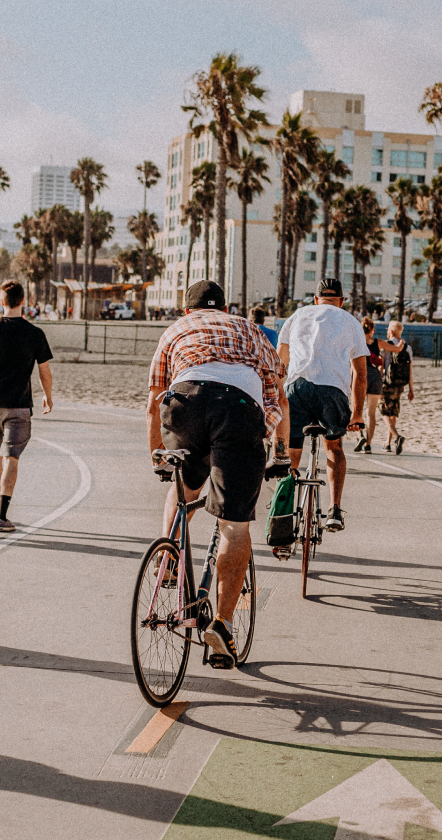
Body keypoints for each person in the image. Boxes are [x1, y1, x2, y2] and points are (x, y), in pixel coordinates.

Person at [147, 279, 286, 668]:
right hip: (238, 407)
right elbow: (276, 391)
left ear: (187, 310)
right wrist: (274, 444)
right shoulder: (250, 329)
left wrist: (158, 458)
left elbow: (152, 399)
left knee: (184, 485)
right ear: (226, 309)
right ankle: (222, 626)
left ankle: (168, 556)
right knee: (234, 526)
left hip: (184, 401)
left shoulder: (175, 330)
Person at [277, 278, 369, 532]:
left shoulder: (298, 315)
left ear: (316, 300)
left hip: (297, 387)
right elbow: (360, 374)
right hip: (332, 391)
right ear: (340, 301)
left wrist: (277, 400)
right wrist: (357, 414)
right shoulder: (350, 321)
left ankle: (282, 514)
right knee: (334, 449)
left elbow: (279, 363)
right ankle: (334, 510)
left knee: (292, 451)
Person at [0, 281, 53, 533]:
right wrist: (47, 396)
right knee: (12, 458)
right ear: (24, 300)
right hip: (19, 405)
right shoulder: (35, 333)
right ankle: (2, 516)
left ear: (1, 300)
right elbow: (44, 371)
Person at [376, 320, 414, 454]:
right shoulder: (407, 348)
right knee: (393, 412)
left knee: (384, 411)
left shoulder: (387, 346)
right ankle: (387, 442)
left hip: (387, 382)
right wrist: (411, 389)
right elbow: (409, 369)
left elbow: (381, 365)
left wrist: (379, 381)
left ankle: (397, 437)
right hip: (400, 384)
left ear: (391, 332)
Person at [354, 317, 384, 452]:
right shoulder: (378, 342)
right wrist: (401, 343)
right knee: (371, 413)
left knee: (356, 409)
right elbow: (396, 349)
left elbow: (352, 366)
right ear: (372, 329)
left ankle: (360, 435)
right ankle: (368, 444)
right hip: (375, 377)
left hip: (361, 376)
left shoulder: (357, 342)